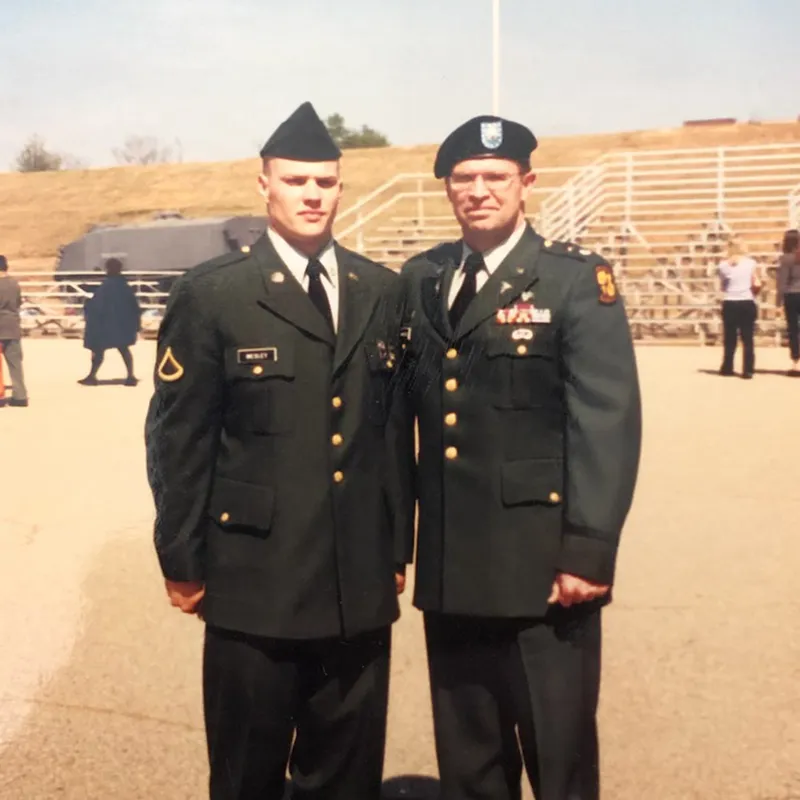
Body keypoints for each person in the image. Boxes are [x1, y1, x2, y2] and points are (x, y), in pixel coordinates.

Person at [144, 101, 413, 800]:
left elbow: (387, 435)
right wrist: (181, 556)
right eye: (296, 181)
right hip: (252, 581)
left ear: (341, 189)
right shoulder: (215, 295)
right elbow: (180, 436)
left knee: (346, 777)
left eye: (325, 182)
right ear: (263, 184)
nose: (312, 195)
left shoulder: (378, 291)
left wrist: (395, 549)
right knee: (246, 775)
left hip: (356, 584)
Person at [396, 114, 642, 800]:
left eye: (495, 177)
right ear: (448, 187)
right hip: (452, 566)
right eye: (464, 178)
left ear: (527, 183)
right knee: (468, 760)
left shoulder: (572, 281)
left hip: (542, 572)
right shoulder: (422, 277)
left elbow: (605, 422)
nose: (479, 190)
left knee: (557, 758)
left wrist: (588, 551)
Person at [79, 257, 141, 386]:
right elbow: (133, 306)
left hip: (106, 324)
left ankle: (92, 376)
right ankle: (130, 376)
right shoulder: (123, 286)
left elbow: (98, 305)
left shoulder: (108, 286)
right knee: (123, 349)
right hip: (120, 324)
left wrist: (89, 306)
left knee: (100, 350)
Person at [717, 239, 762, 379]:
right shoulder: (751, 263)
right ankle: (748, 369)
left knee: (730, 337)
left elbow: (723, 286)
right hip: (747, 300)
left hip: (730, 301)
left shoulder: (723, 265)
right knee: (747, 337)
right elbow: (755, 280)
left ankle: (727, 366)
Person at [0, 254, 29, 407]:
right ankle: (20, 395)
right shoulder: (14, 284)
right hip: (12, 326)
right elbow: (17, 303)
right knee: (15, 364)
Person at [776, 228, 800, 374]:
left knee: (793, 329)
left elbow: (782, 283)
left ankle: (796, 361)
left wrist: (778, 303)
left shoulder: (785, 259)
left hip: (791, 295)